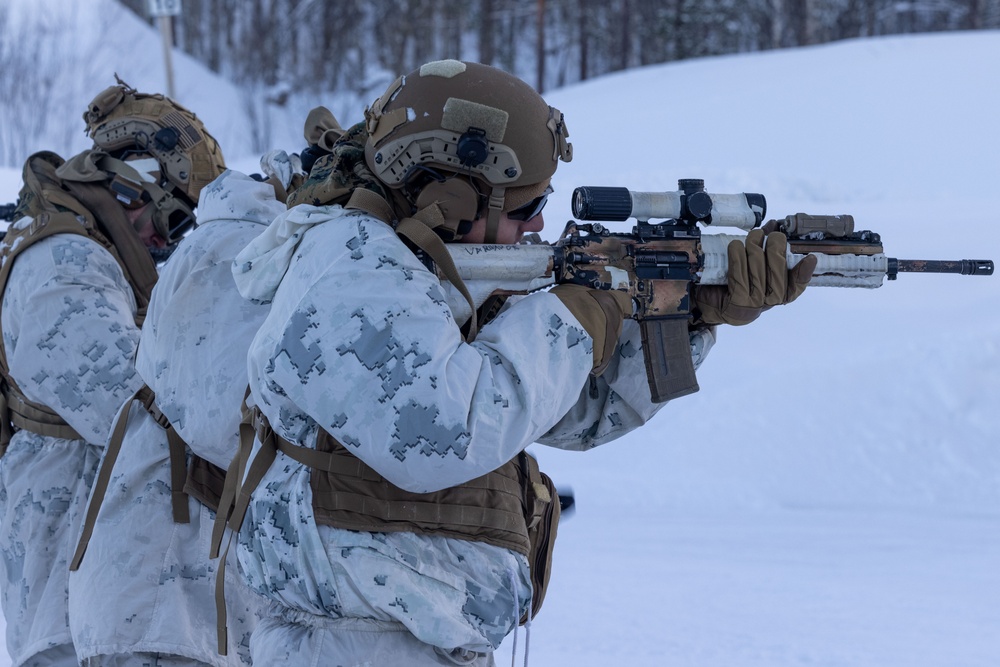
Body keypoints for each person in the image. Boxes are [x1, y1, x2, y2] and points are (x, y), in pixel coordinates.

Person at [221, 59, 816, 666]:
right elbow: (444, 433)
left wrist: (685, 318)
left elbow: (569, 413)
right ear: (449, 193)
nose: (538, 225)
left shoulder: (426, 275)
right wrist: (577, 314)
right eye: (527, 205)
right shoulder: (350, 267)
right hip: (353, 643)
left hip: (404, 639)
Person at [66, 109, 343, 667]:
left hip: (176, 606)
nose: (162, 238)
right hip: (160, 605)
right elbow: (226, 425)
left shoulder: (244, 251)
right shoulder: (229, 256)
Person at [0, 79, 225, 667]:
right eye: (172, 218)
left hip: (94, 574)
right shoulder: (63, 262)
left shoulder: (92, 253)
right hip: (67, 576)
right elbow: (127, 404)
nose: (166, 242)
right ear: (132, 184)